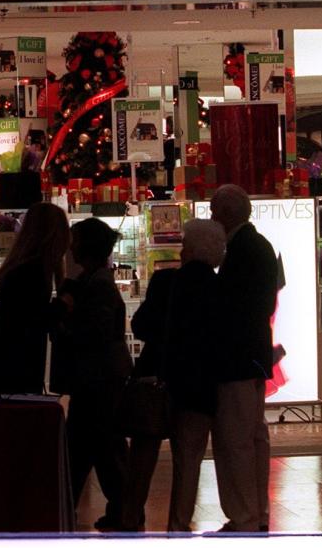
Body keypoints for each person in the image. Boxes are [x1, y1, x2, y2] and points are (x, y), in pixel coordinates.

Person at [127, 218, 225, 532]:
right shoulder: (221, 289)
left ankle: (130, 516)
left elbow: (140, 326)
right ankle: (178, 525)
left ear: (188, 249)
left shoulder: (165, 281)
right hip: (199, 384)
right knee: (189, 461)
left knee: (143, 455)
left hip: (158, 376)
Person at [53, 218, 132, 529]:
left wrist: (64, 326)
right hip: (101, 377)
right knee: (99, 447)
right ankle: (122, 509)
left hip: (97, 378)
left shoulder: (95, 285)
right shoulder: (96, 280)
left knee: (96, 446)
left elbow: (93, 333)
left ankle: (120, 509)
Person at [209, 185, 278, 533]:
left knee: (235, 438)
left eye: (214, 210)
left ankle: (243, 515)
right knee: (252, 436)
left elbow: (232, 307)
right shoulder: (258, 245)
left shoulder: (240, 250)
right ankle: (255, 512)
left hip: (237, 356)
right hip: (254, 354)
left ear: (226, 214)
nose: (210, 216)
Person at [0, 202, 70, 397]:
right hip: (16, 371)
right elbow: (32, 320)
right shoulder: (33, 272)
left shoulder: (22, 267)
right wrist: (63, 304)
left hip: (4, 367)